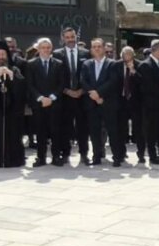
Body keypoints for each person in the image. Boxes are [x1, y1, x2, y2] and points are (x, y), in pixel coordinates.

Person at [81, 38, 122, 166]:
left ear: (104, 48)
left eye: (99, 46)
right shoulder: (86, 64)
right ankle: (96, 157)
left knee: (113, 131)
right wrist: (93, 94)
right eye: (94, 47)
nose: (97, 49)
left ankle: (117, 157)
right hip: (92, 103)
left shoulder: (113, 64)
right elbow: (83, 81)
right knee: (94, 132)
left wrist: (99, 94)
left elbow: (113, 81)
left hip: (107, 102)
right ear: (91, 49)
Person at [27, 38, 66, 167]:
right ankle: (41, 157)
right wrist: (41, 98)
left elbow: (62, 83)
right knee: (40, 131)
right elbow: (30, 84)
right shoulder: (31, 64)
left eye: (48, 47)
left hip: (55, 103)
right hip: (39, 103)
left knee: (56, 131)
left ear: (51, 49)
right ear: (38, 49)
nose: (46, 50)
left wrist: (52, 97)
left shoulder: (59, 64)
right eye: (43, 48)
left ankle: (56, 156)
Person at [53, 27, 89, 165]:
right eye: (67, 37)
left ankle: (84, 154)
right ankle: (66, 153)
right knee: (65, 127)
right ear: (63, 38)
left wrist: (82, 90)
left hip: (82, 96)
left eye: (72, 36)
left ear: (76, 37)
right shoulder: (56, 54)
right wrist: (66, 91)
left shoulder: (86, 53)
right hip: (64, 96)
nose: (70, 39)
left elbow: (88, 74)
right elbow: (55, 77)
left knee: (83, 127)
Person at [138, 39, 159, 165]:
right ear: (157, 50)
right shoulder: (146, 65)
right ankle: (153, 155)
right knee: (152, 132)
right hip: (152, 105)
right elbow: (148, 87)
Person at [117, 46, 143, 162]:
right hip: (122, 101)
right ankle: (121, 153)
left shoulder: (140, 65)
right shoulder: (117, 65)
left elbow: (143, 82)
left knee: (138, 129)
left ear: (133, 55)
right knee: (121, 129)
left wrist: (134, 72)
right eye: (125, 54)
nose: (127, 56)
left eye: (129, 54)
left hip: (136, 102)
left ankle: (141, 154)